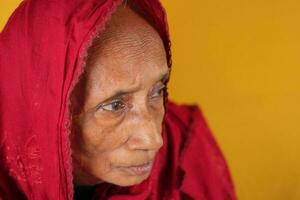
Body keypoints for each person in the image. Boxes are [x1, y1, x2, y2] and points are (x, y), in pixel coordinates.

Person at [0, 0, 237, 199]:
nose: (154, 139)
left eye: (157, 91)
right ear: (43, 111)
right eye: (115, 106)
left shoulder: (184, 144)